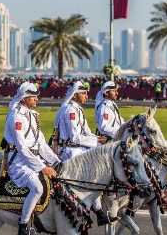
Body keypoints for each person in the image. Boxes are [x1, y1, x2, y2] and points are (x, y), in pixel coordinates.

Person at [54, 81, 118, 226]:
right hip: (71, 150)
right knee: (92, 170)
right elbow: (75, 137)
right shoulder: (70, 110)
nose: (86, 96)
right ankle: (98, 211)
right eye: (83, 93)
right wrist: (96, 141)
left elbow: (87, 132)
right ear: (75, 95)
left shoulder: (78, 109)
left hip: (81, 148)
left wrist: (98, 140)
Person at [3, 82, 60, 235]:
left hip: (33, 159)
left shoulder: (32, 115)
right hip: (18, 161)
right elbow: (21, 148)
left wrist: (56, 162)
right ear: (23, 98)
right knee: (37, 188)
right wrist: (42, 167)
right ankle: (23, 225)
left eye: (36, 96)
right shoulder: (16, 116)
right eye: (32, 96)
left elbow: (42, 144)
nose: (36, 99)